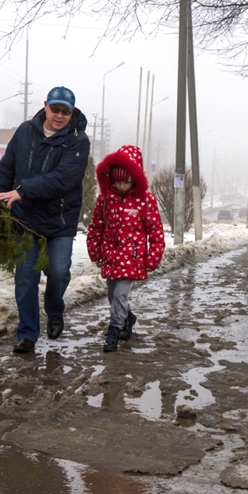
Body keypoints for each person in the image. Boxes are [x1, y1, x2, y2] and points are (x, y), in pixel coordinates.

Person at [0, 86, 91, 354]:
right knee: (25, 278)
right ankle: (27, 333)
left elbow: (63, 179)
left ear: (72, 112)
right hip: (25, 219)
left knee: (58, 272)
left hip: (59, 219)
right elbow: (7, 167)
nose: (59, 116)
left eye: (65, 112)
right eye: (55, 109)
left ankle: (55, 309)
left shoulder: (79, 140)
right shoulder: (25, 131)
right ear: (45, 106)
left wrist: (22, 191)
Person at [87, 145, 165, 352]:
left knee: (120, 295)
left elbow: (156, 231)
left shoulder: (145, 201)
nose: (121, 186)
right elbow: (96, 226)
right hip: (110, 256)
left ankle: (114, 330)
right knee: (112, 296)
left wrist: (152, 258)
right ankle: (128, 317)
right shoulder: (105, 201)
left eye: (126, 181)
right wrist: (94, 250)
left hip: (132, 257)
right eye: (117, 181)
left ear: (135, 179)